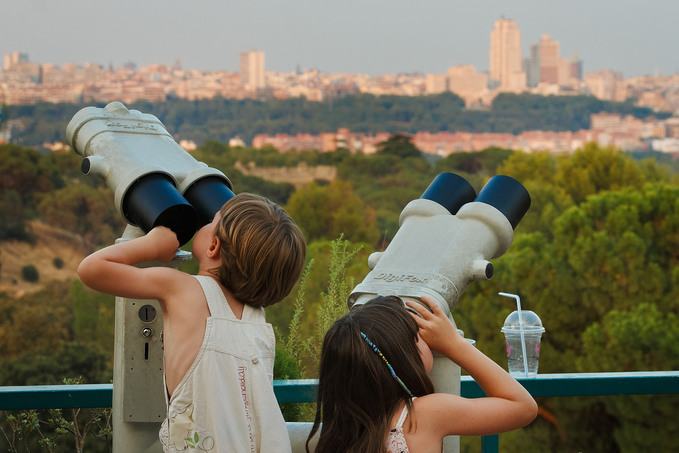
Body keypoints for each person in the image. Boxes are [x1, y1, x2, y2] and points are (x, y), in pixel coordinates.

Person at [78, 192, 307, 453]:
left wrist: (152, 245)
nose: (205, 222)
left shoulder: (182, 289)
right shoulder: (257, 318)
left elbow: (92, 269)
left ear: (213, 246)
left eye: (211, 222)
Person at [306, 295, 538, 453]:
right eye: (418, 335)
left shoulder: (341, 429)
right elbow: (523, 407)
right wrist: (454, 344)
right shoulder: (423, 415)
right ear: (405, 355)